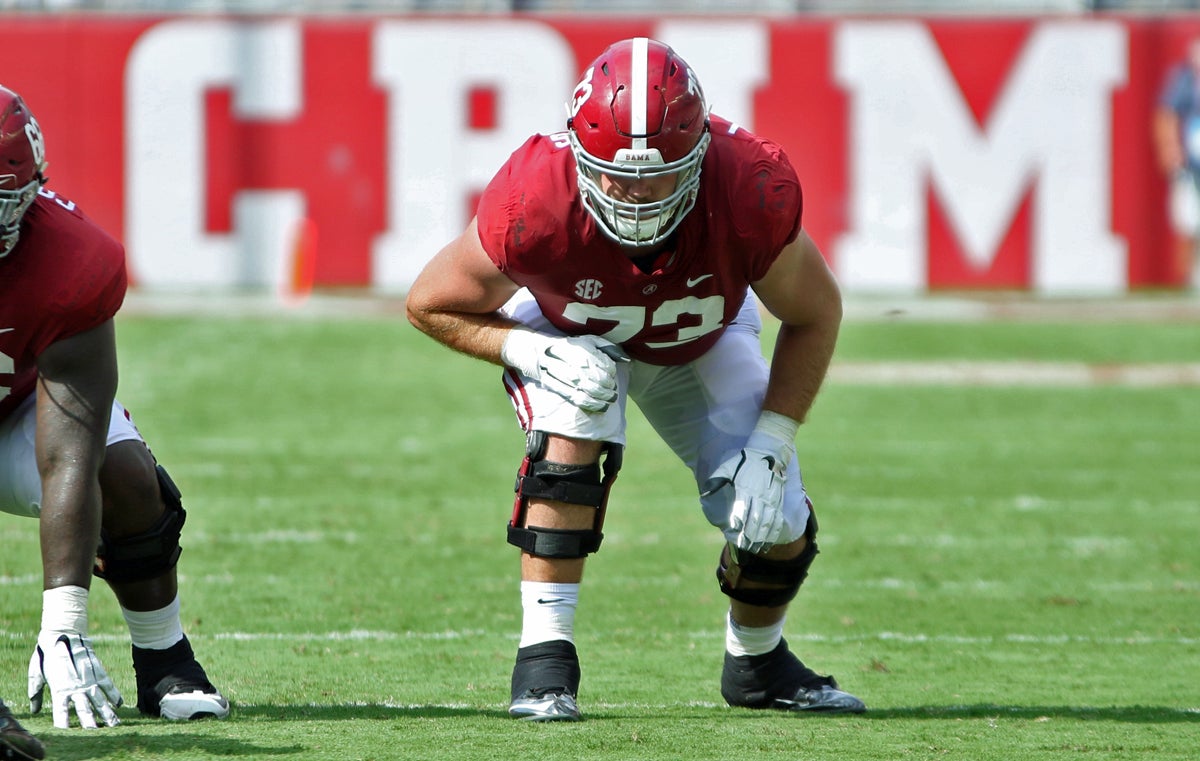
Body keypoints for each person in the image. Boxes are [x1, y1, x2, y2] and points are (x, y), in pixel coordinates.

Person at [406, 37, 865, 721]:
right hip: (572, 334)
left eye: (659, 176)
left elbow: (816, 311)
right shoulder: (536, 195)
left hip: (700, 337)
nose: (636, 196)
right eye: (616, 176)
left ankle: (758, 661)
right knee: (575, 412)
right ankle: (544, 661)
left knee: (773, 514)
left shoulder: (749, 187)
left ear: (701, 153)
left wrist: (773, 439)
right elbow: (430, 301)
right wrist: (529, 353)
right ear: (578, 156)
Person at [0, 85, 229, 729]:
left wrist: (63, 624)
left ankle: (164, 658)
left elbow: (71, 446)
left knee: (124, 475)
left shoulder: (73, 260)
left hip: (18, 408)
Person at [1153, 36, 1200, 288]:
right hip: (1190, 167)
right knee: (1189, 223)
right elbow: (1167, 114)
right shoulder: (1184, 80)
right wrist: (1170, 149)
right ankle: (1185, 281)